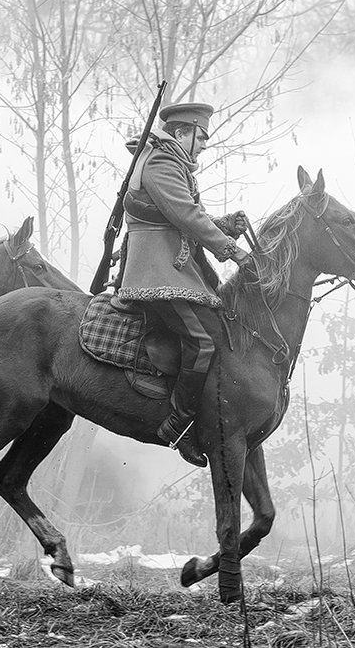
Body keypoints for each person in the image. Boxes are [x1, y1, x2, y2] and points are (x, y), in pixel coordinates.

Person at [116, 102, 250, 467]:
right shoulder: (161, 163)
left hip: (172, 266)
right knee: (203, 342)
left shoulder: (173, 163)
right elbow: (185, 215)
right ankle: (177, 425)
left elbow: (187, 216)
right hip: (156, 270)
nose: (204, 144)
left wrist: (223, 224)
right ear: (180, 133)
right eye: (201, 135)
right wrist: (233, 251)